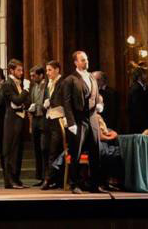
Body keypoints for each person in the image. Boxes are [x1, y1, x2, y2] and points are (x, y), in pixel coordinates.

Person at [61, 50, 103, 194]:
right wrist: (71, 122)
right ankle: (75, 184)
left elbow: (96, 95)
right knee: (76, 152)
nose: (86, 62)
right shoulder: (70, 80)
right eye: (83, 60)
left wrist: (99, 104)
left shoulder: (91, 76)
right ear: (76, 62)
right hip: (78, 119)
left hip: (92, 118)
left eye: (86, 59)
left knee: (95, 151)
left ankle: (94, 185)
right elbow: (66, 103)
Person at [0, 59, 30, 189]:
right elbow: (17, 100)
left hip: (19, 118)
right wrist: (26, 89)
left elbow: (25, 101)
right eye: (19, 70)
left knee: (18, 151)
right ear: (11, 70)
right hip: (11, 120)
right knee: (11, 150)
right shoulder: (7, 84)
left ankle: (16, 179)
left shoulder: (18, 83)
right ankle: (10, 181)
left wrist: (24, 100)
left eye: (22, 70)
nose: (21, 72)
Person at [41, 60, 66, 190]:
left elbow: (64, 99)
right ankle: (49, 178)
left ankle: (50, 179)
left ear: (57, 70)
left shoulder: (63, 82)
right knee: (45, 149)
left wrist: (50, 102)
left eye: (50, 70)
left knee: (55, 150)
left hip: (58, 119)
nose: (47, 73)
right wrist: (44, 104)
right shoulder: (48, 83)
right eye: (47, 70)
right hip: (48, 119)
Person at [28, 65, 47, 185]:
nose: (32, 78)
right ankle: (40, 177)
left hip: (44, 119)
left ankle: (46, 177)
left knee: (44, 148)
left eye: (34, 75)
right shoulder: (33, 86)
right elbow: (32, 102)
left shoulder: (47, 86)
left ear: (41, 75)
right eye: (30, 76)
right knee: (37, 149)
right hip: (35, 119)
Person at [128, 67, 148, 134]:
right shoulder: (136, 88)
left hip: (142, 121)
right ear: (139, 76)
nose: (146, 76)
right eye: (144, 74)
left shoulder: (142, 87)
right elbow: (137, 107)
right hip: (139, 122)